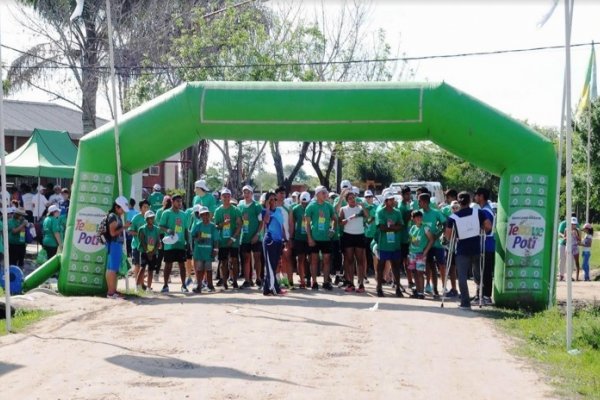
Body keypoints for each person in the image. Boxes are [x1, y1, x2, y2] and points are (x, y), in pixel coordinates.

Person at [444, 192, 492, 309]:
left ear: (458, 202)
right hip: (476, 248)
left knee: (462, 276)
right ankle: (481, 295)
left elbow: (448, 236)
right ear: (470, 200)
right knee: (478, 274)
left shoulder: (453, 217)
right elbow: (488, 226)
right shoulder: (479, 212)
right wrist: (482, 229)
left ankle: (465, 303)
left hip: (462, 251)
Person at [305, 185, 337, 290]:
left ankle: (326, 282)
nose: (325, 195)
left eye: (326, 193)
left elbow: (334, 219)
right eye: (323, 193)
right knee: (314, 260)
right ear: (317, 194)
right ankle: (314, 282)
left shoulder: (328, 206)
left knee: (326, 260)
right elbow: (307, 224)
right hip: (314, 237)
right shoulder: (310, 206)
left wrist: (332, 229)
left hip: (326, 238)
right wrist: (309, 237)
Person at [338, 189, 368, 293]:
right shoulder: (343, 209)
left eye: (353, 198)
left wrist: (363, 206)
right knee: (349, 260)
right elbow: (340, 222)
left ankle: (361, 284)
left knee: (360, 261)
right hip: (348, 236)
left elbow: (367, 216)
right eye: (350, 198)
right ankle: (350, 283)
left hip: (359, 235)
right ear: (347, 200)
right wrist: (347, 219)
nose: (352, 200)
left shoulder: (360, 208)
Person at [375, 193, 404, 297]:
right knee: (381, 266)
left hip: (395, 245)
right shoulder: (380, 212)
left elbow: (401, 226)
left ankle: (397, 288)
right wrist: (394, 227)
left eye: (393, 199)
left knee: (396, 266)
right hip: (383, 245)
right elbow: (381, 227)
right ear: (386, 201)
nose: (393, 201)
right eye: (390, 200)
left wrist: (391, 227)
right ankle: (379, 287)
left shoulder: (397, 212)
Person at [159, 194, 189, 293]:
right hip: (169, 244)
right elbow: (161, 226)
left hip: (180, 243)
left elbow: (185, 229)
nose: (180, 203)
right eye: (177, 201)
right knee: (168, 265)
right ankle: (165, 285)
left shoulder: (183, 214)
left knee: (182, 265)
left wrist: (187, 242)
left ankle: (184, 285)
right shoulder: (166, 213)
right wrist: (168, 230)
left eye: (180, 201)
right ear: (172, 202)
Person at [419, 192, 447, 298]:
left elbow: (445, 223)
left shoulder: (436, 212)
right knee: (429, 266)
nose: (418, 203)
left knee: (439, 266)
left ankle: (437, 289)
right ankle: (427, 286)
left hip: (437, 245)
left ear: (425, 202)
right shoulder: (419, 213)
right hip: (425, 246)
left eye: (420, 201)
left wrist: (438, 234)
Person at [214, 188, 242, 289]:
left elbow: (239, 225)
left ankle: (234, 281)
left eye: (228, 196)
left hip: (233, 241)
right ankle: (224, 282)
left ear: (230, 197)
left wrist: (233, 238)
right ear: (221, 197)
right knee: (223, 262)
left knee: (234, 261)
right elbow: (216, 226)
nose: (226, 198)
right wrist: (223, 224)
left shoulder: (236, 210)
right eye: (224, 196)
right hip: (222, 241)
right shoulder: (218, 210)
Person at [238, 185, 264, 288]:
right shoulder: (240, 206)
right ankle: (247, 280)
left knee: (257, 258)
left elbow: (261, 222)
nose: (246, 194)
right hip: (244, 237)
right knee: (246, 259)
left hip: (256, 237)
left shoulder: (257, 206)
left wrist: (257, 235)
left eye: (248, 192)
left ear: (251, 194)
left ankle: (258, 278)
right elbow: (239, 221)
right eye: (244, 192)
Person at [261, 191, 287, 296]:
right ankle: (274, 289)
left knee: (274, 265)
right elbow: (266, 221)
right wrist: (267, 208)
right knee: (270, 267)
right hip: (269, 241)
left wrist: (285, 239)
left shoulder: (279, 211)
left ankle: (266, 289)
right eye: (270, 199)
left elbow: (281, 225)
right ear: (267, 201)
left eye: (274, 199)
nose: (273, 201)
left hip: (278, 241)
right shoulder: (265, 211)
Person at [105, 196, 131, 299]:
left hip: (115, 244)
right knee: (112, 269)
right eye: (122, 209)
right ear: (117, 207)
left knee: (111, 268)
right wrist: (124, 227)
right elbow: (113, 233)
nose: (123, 212)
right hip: (114, 244)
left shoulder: (115, 216)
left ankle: (112, 292)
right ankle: (111, 293)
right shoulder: (113, 216)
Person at [473, 188, 495, 305]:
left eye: (476, 195)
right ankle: (481, 295)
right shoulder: (485, 209)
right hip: (486, 244)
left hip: (486, 244)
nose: (475, 197)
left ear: (481, 196)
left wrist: (477, 228)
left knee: (485, 271)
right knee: (481, 270)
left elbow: (488, 227)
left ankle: (486, 297)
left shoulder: (486, 211)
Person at [190, 206, 219, 293]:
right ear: (200, 216)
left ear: (209, 215)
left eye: (206, 214)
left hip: (208, 251)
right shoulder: (198, 225)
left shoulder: (212, 226)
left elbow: (216, 239)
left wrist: (215, 250)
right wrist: (197, 238)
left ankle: (210, 285)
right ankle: (199, 286)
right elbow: (193, 235)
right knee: (199, 269)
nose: (205, 216)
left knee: (208, 268)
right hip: (199, 251)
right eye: (203, 215)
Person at [408, 210, 434, 299]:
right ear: (413, 219)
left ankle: (421, 293)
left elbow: (431, 240)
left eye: (420, 217)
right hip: (412, 253)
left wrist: (425, 251)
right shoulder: (412, 228)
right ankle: (418, 291)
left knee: (420, 273)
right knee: (414, 272)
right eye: (416, 217)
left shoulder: (425, 228)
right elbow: (411, 240)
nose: (419, 218)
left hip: (420, 254)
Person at [128, 200, 150, 291]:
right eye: (144, 207)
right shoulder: (136, 218)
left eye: (148, 207)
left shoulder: (150, 218)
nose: (146, 209)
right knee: (137, 265)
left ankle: (142, 283)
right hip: (137, 245)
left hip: (147, 246)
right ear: (140, 208)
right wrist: (139, 234)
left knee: (144, 265)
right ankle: (137, 285)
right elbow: (130, 231)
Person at [138, 210, 161, 292]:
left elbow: (158, 242)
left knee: (151, 270)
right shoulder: (142, 229)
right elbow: (142, 241)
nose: (151, 219)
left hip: (153, 252)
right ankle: (138, 286)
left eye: (152, 218)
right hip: (144, 252)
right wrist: (147, 252)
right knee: (142, 268)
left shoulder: (157, 229)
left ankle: (148, 287)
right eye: (149, 218)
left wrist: (153, 252)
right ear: (146, 219)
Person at [291, 191, 311, 289]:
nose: (304, 204)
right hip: (299, 237)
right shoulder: (295, 209)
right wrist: (292, 237)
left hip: (310, 237)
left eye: (306, 203)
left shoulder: (311, 208)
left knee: (309, 259)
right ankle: (302, 280)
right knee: (300, 258)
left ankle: (309, 278)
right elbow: (292, 223)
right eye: (303, 202)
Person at [570, 217, 581, 281]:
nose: (573, 225)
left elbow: (579, 239)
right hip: (569, 247)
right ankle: (569, 277)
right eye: (572, 224)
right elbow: (565, 238)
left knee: (577, 262)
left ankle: (577, 277)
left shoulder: (577, 230)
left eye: (574, 224)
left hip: (575, 247)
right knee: (568, 262)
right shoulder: (567, 229)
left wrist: (576, 235)